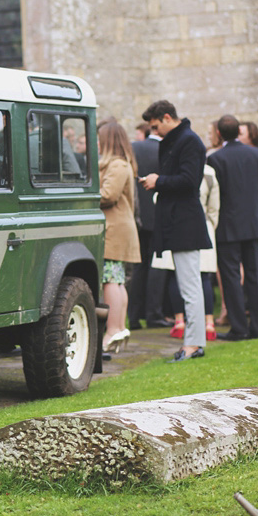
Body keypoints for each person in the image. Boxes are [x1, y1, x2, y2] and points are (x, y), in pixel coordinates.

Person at [139, 100, 211, 362]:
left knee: (190, 286)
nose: (154, 132)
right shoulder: (176, 140)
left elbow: (190, 181)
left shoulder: (189, 141)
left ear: (167, 117)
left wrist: (158, 181)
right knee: (187, 286)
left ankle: (193, 345)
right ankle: (193, 343)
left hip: (185, 223)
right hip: (177, 221)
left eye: (156, 126)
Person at [207, 114, 258, 341]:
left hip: (229, 225)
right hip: (252, 221)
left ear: (219, 133)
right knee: (254, 274)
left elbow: (216, 196)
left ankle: (240, 328)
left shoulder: (216, 159)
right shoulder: (256, 153)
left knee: (231, 276)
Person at [151, 163, 221, 342]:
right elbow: (214, 205)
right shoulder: (209, 172)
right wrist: (211, 224)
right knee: (203, 276)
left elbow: (158, 198)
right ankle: (209, 322)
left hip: (176, 223)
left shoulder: (172, 172)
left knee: (176, 275)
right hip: (202, 223)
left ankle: (180, 320)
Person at [97, 122, 142, 354]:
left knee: (110, 280)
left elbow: (108, 195)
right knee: (116, 279)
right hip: (119, 227)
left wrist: (84, 191)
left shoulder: (117, 164)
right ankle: (119, 328)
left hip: (114, 228)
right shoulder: (121, 163)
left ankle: (113, 329)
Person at [128, 118, 170, 330]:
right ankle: (154, 314)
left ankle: (134, 317)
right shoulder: (167, 148)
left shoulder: (133, 148)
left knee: (138, 266)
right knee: (158, 265)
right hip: (159, 213)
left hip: (137, 215)